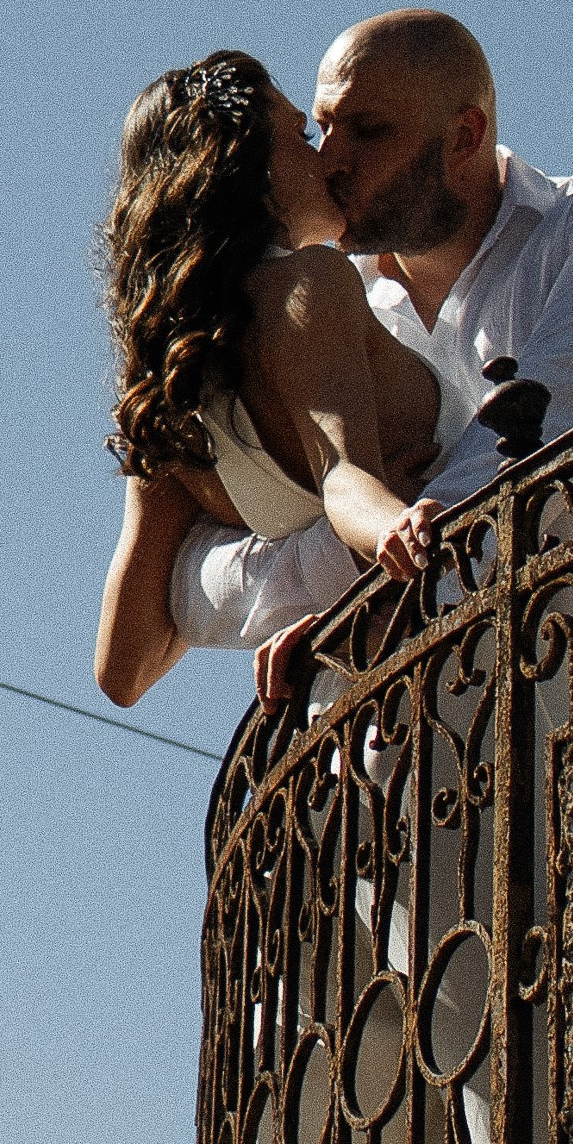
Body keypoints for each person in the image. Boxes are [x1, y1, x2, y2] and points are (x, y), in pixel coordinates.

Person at [168, 8, 573, 674]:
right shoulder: (327, 312)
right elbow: (184, 586)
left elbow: (532, 482)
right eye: (322, 128)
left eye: (368, 131)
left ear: (465, 136)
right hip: (415, 763)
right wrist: (337, 570)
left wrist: (350, 598)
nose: (331, 160)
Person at [93, 49, 467, 706]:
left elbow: (122, 666)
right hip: (464, 608)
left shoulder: (171, 400)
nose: (326, 158)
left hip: (383, 694)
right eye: (300, 135)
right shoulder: (310, 282)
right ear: (246, 164)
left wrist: (301, 568)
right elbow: (345, 477)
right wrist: (395, 530)